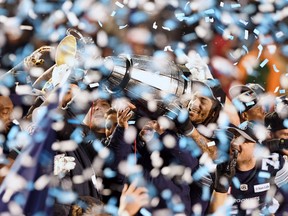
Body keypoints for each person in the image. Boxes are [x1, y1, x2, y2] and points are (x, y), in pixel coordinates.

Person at [209, 121, 288, 215]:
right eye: (235, 137)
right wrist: (220, 188)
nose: (235, 143)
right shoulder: (216, 169)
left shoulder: (276, 164)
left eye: (244, 140)